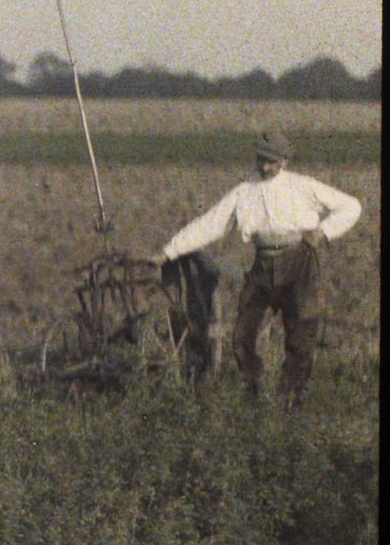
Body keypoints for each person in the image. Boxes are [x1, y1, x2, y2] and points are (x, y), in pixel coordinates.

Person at [151, 130, 361, 406]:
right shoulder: (243, 193)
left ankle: (291, 401)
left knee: (300, 332)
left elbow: (351, 206)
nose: (265, 167)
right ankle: (255, 392)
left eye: (271, 162)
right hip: (262, 265)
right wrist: (167, 252)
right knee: (242, 335)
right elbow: (209, 225)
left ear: (284, 161)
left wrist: (323, 232)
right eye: (261, 160)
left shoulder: (304, 186)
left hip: (299, 262)